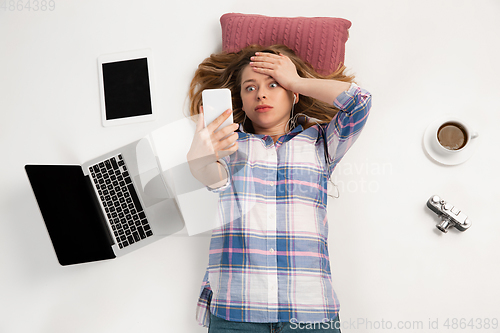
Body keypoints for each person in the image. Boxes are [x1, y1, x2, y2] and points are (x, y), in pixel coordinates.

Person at [186, 44, 372, 332]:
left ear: (294, 94)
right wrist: (198, 161)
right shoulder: (230, 146)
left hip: (310, 314)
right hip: (238, 313)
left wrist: (295, 79)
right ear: (243, 104)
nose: (261, 93)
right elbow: (213, 178)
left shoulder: (320, 142)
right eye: (250, 88)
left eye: (274, 84)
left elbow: (360, 102)